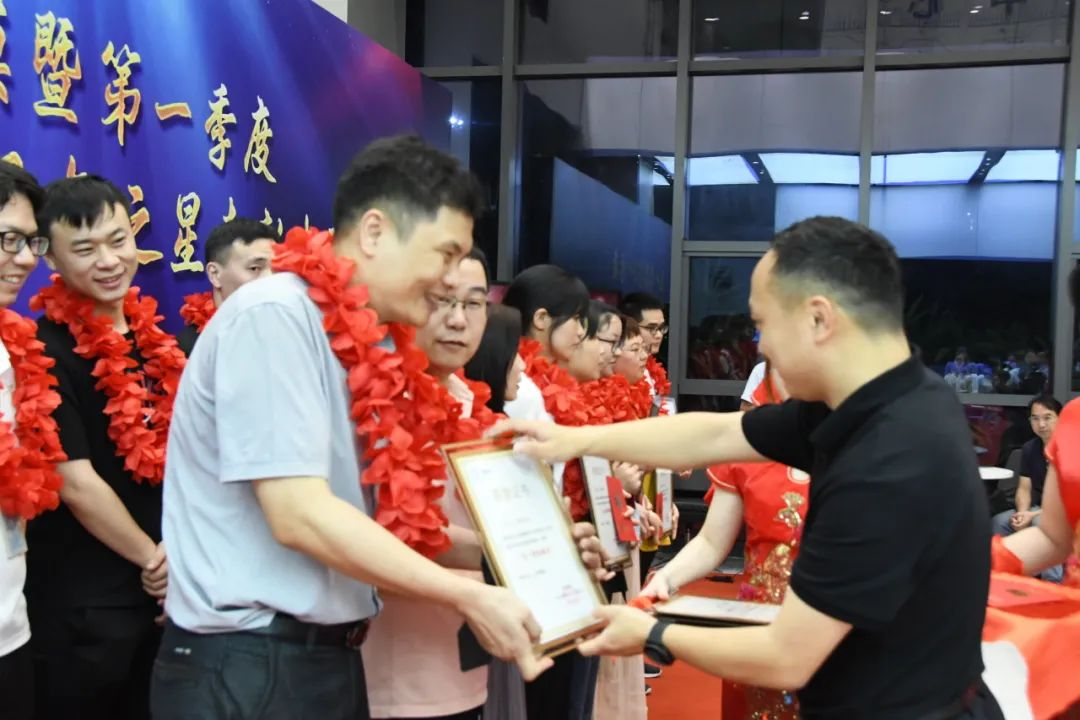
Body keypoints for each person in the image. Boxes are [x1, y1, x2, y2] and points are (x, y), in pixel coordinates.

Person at [494, 216, 1002, 719]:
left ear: (819, 319)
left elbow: (788, 657)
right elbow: (716, 435)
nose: (760, 346)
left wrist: (652, 633)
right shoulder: (881, 400)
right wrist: (575, 440)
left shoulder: (888, 459)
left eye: (763, 324)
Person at [152, 136, 555, 720]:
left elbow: (373, 522)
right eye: (444, 254)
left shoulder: (362, 346)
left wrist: (515, 554)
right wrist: (466, 593)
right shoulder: (276, 316)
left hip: (320, 660)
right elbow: (299, 513)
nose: (449, 281)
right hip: (251, 664)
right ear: (374, 232)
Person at [29, 175, 186, 720]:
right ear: (51, 259)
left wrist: (178, 567)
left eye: (118, 240)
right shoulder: (42, 349)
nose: (108, 260)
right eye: (84, 249)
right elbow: (74, 481)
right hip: (86, 608)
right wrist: (155, 562)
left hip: (166, 597)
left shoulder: (159, 342)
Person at [642, 363, 807, 719]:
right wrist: (665, 578)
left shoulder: (863, 442)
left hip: (836, 628)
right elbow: (711, 542)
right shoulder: (748, 443)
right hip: (756, 632)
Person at [0, 161, 62, 720]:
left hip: (10, 628)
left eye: (31, 242)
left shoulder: (13, 347)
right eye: (8, 239)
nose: (24, 259)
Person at [176, 218, 281, 355]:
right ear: (215, 274)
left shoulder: (289, 333)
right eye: (255, 268)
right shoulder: (190, 352)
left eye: (276, 269)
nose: (270, 278)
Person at [991, 395, 1062, 583]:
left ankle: (1052, 584)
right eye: (1035, 418)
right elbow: (1024, 488)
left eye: (1047, 417)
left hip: (1068, 513)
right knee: (1000, 522)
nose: (1041, 424)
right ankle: (1005, 580)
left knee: (1042, 524)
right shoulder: (1030, 448)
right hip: (1039, 510)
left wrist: (1033, 515)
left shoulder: (1072, 449)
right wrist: (1022, 513)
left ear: (1060, 418)